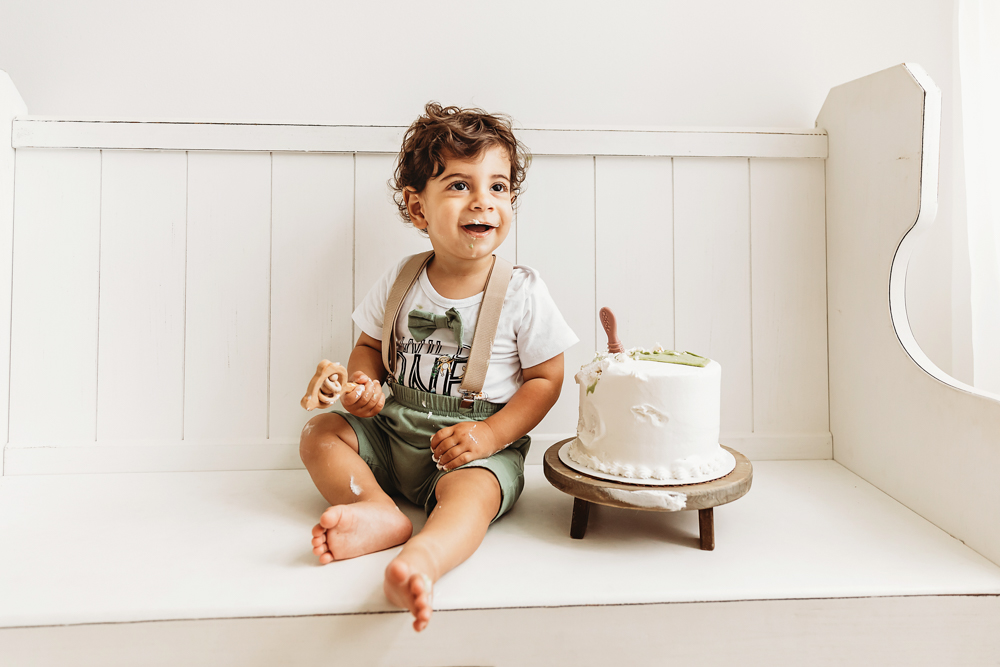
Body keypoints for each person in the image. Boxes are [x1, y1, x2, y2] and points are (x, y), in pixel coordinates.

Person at [298, 102, 577, 632]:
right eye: (458, 185)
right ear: (418, 208)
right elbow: (367, 346)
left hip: (471, 447)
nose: (483, 202)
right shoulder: (401, 278)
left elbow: (547, 379)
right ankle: (380, 510)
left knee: (470, 499)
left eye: (498, 187)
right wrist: (364, 387)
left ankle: (424, 558)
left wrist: (491, 434)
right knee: (319, 433)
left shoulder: (521, 292)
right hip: (393, 428)